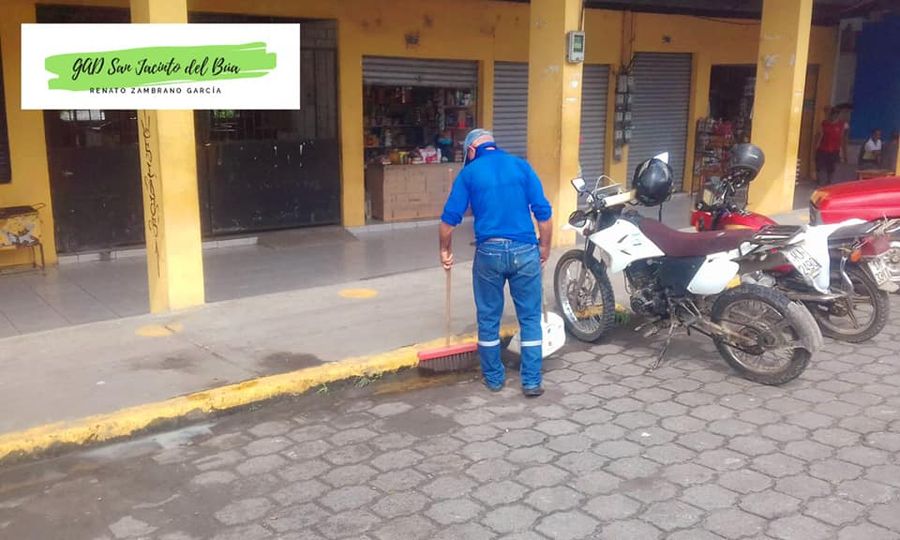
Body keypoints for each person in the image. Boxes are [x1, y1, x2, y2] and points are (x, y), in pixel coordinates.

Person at [439, 129, 552, 397]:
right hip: (525, 250)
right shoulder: (522, 166)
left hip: (489, 252)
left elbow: (448, 222)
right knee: (530, 318)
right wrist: (544, 247)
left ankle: (494, 379)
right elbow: (544, 215)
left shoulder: (469, 173)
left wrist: (445, 250)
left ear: (471, 150)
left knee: (488, 317)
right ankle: (531, 381)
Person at [815, 107, 849, 186]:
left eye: (836, 115)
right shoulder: (824, 123)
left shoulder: (842, 125)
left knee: (832, 168)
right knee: (820, 167)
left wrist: (844, 153)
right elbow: (820, 135)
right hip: (823, 149)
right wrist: (816, 147)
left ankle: (829, 183)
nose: (834, 117)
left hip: (835, 150)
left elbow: (843, 139)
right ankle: (820, 183)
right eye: (832, 115)